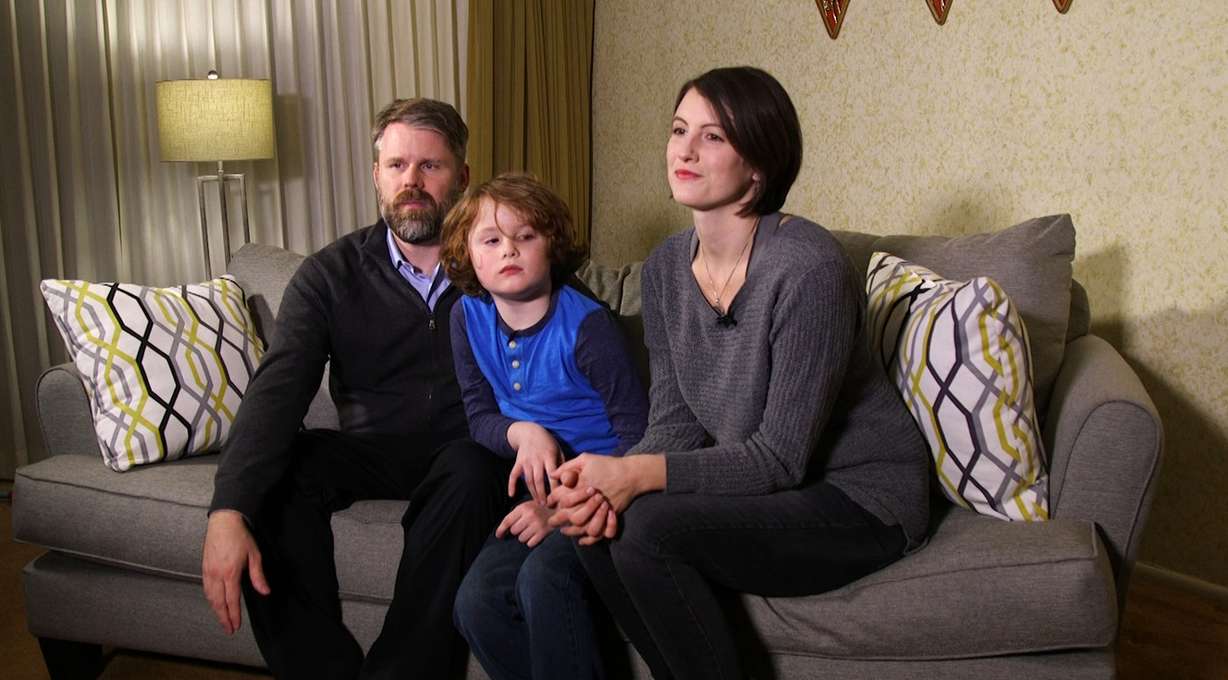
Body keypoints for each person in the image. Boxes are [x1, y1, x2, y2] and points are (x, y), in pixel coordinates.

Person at [546, 66, 932, 680]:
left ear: (759, 164)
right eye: (679, 130)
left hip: (861, 498)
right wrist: (603, 487)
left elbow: (780, 459)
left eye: (713, 137)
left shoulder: (808, 268)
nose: (685, 151)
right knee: (601, 527)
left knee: (647, 529)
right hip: (778, 485)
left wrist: (635, 475)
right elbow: (673, 423)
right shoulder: (665, 269)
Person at [202, 98, 511, 680]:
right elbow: (278, 389)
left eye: (430, 166)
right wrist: (228, 508)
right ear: (376, 176)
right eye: (396, 166)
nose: (411, 182)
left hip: (466, 453)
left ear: (462, 176)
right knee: (277, 474)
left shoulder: (502, 256)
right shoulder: (329, 274)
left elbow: (576, 341)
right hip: (371, 449)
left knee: (472, 469)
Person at [441, 173, 648, 680]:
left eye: (526, 236)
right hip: (543, 493)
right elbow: (478, 414)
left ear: (551, 245)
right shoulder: (466, 317)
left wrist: (556, 510)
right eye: (491, 240)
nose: (509, 250)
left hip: (609, 491)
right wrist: (523, 432)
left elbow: (639, 437)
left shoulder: (588, 327)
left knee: (543, 580)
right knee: (476, 601)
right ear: (468, 255)